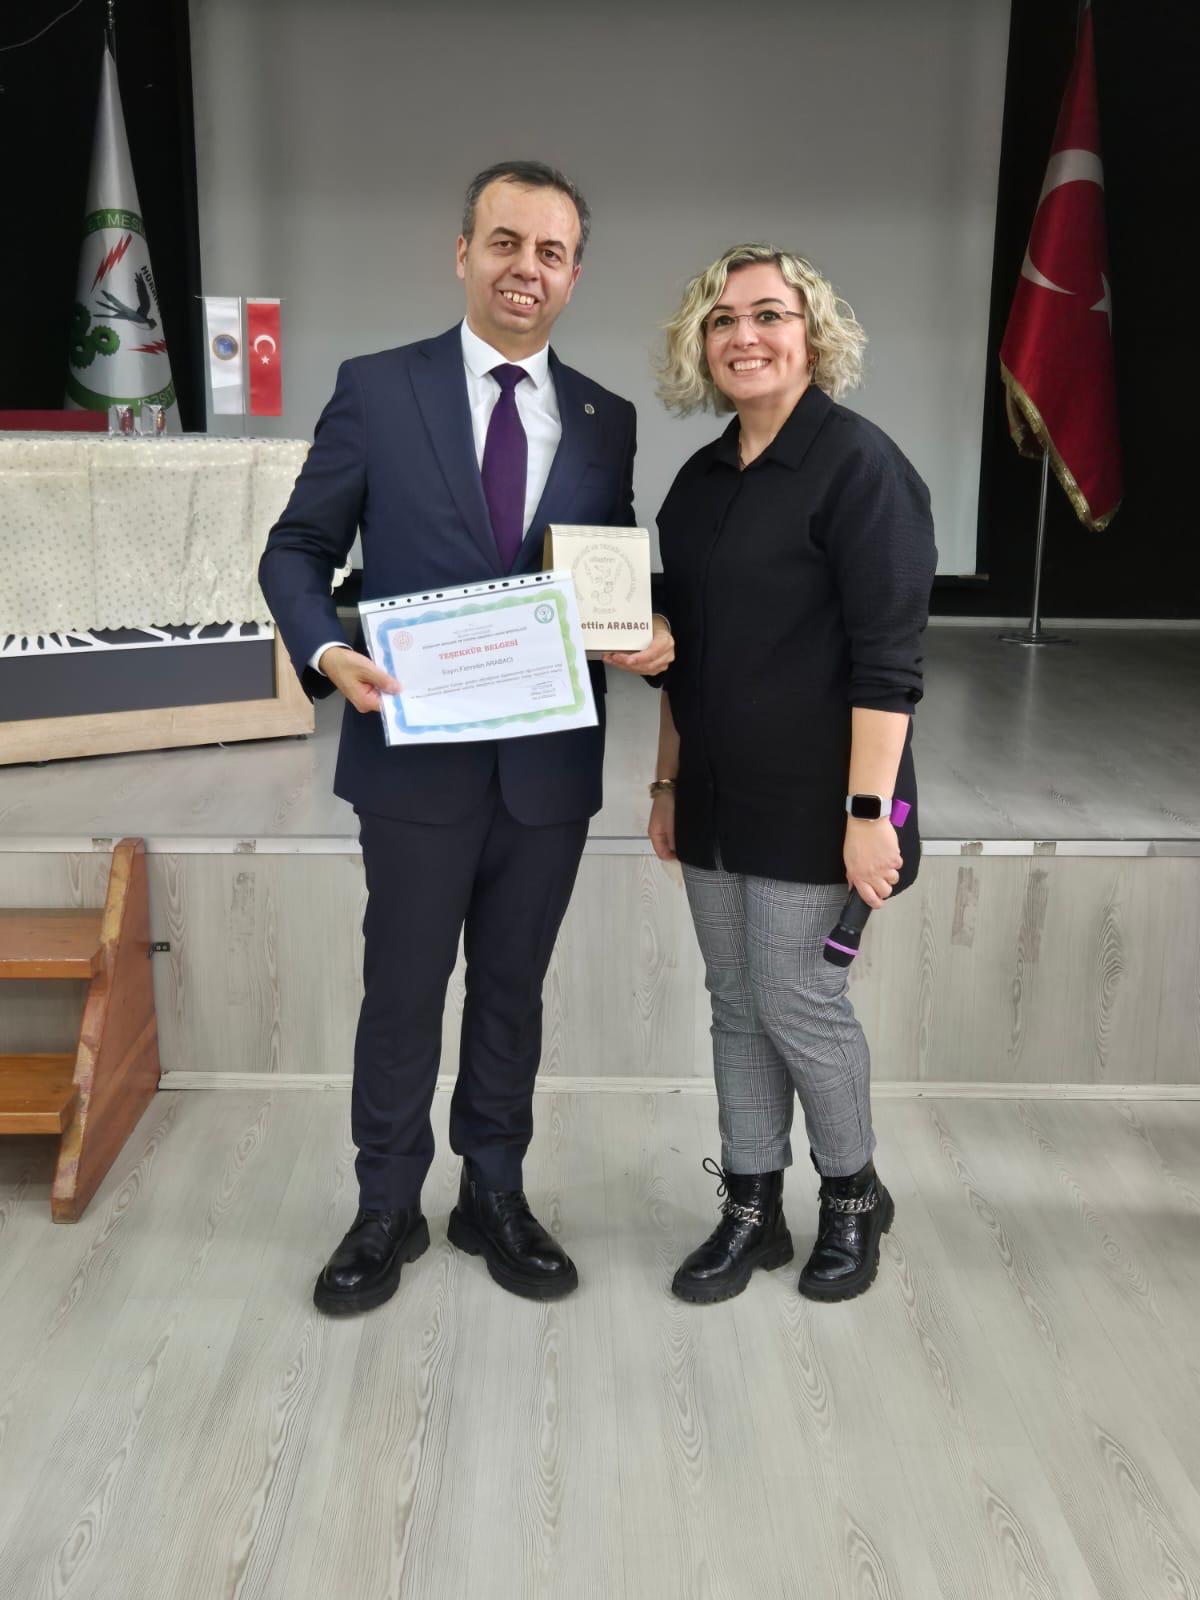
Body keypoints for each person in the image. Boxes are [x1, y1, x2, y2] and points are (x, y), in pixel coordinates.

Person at [260, 160, 673, 1315]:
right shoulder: (376, 390)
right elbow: (296, 549)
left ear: (574, 275)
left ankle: (493, 1191)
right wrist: (325, 652)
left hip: (547, 772)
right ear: (462, 254)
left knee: (511, 990)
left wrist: (638, 627)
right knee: (401, 990)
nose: (525, 268)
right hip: (413, 760)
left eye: (550, 251)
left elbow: (602, 567)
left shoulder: (604, 418)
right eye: (504, 242)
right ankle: (384, 1205)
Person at [648, 244, 936, 1304]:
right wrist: (667, 785)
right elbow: (682, 657)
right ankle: (752, 1208)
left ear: (812, 334)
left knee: (799, 1001)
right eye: (723, 320)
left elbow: (888, 667)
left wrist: (870, 814)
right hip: (717, 796)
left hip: (825, 801)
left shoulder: (861, 468)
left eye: (769, 314)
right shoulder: (697, 482)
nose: (746, 336)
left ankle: (853, 1196)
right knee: (735, 1004)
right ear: (702, 344)